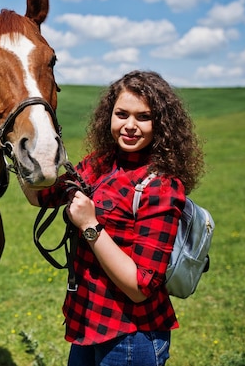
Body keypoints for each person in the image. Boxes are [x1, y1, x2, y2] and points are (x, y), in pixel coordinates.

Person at [23, 70, 204, 366]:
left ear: (161, 124)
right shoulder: (100, 163)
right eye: (122, 114)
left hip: (132, 337)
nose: (130, 126)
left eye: (143, 117)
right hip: (87, 323)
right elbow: (42, 196)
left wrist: (90, 225)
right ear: (110, 115)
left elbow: (139, 287)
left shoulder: (162, 186)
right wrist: (21, 153)